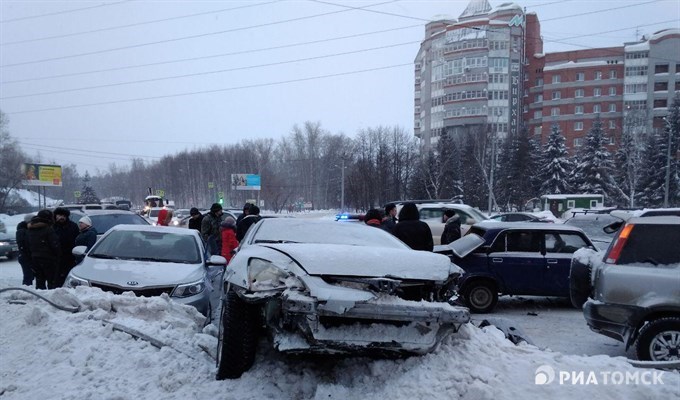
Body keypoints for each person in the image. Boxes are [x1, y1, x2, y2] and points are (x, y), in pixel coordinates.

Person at [26, 209, 61, 289]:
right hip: (49, 259)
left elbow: (27, 245)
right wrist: (58, 256)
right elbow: (55, 245)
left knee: (39, 280)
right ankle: (51, 299)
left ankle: (40, 297)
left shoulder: (31, 229)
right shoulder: (48, 229)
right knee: (52, 281)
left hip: (35, 258)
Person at [52, 207, 80, 287]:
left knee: (69, 279)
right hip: (55, 257)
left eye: (64, 216)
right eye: (60, 215)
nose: (62, 217)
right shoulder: (52, 227)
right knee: (56, 280)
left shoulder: (73, 226)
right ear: (56, 216)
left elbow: (77, 240)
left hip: (69, 256)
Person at [15, 214, 35, 286]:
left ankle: (26, 288)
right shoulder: (22, 231)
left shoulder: (23, 230)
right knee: (28, 276)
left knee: (29, 275)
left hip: (25, 256)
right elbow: (25, 244)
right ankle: (25, 290)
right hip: (25, 256)